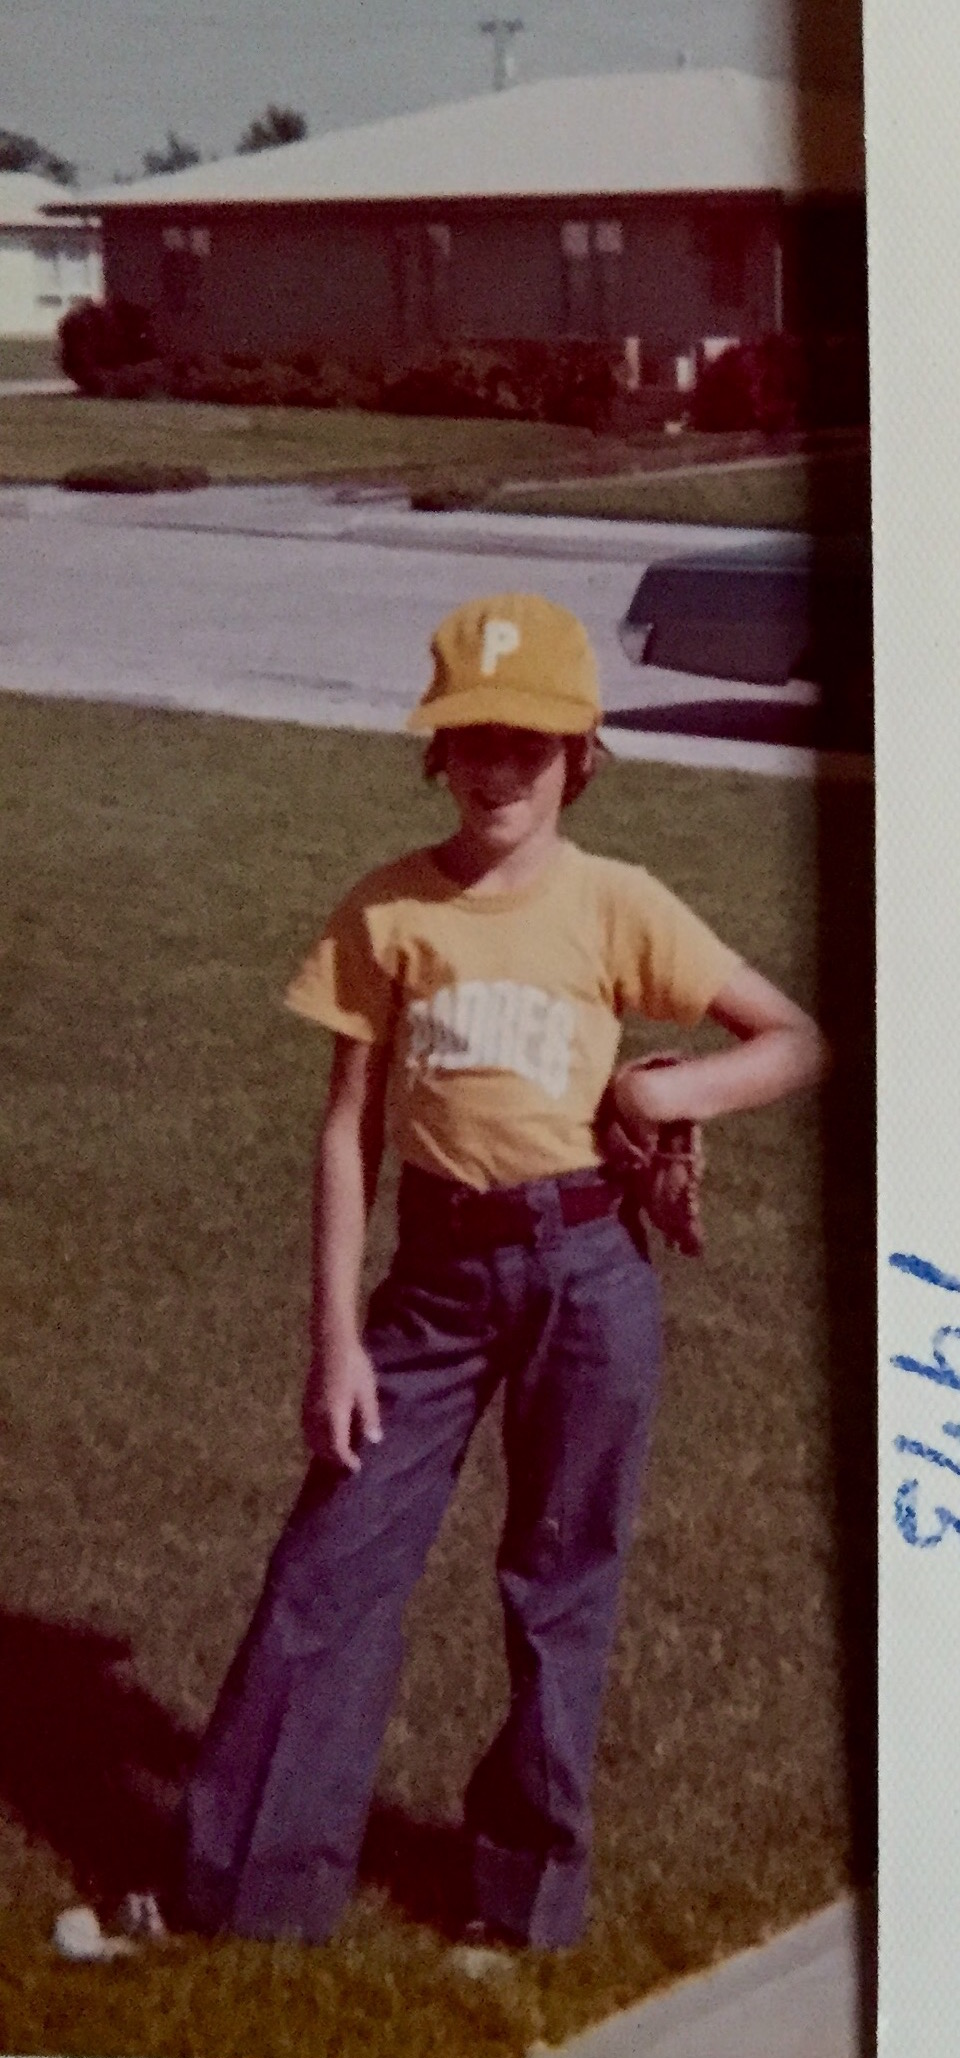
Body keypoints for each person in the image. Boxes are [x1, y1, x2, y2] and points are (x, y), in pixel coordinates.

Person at [170, 593, 827, 1949]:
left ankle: (521, 1906)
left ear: (582, 751)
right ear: (437, 749)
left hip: (588, 1273)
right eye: (471, 734)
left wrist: (670, 1096)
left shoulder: (615, 903)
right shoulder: (390, 909)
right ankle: (253, 1895)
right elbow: (348, 1130)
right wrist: (334, 1341)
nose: (498, 764)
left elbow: (795, 1038)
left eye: (529, 740)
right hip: (434, 1283)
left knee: (558, 1580)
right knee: (332, 1564)